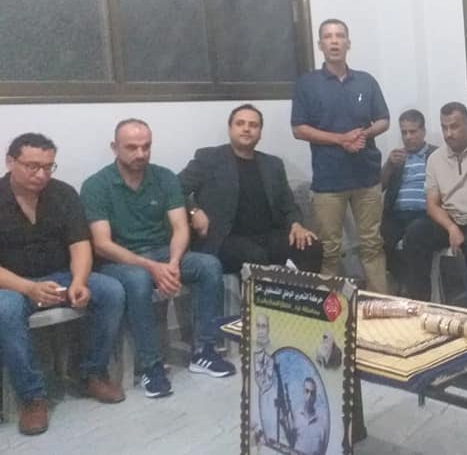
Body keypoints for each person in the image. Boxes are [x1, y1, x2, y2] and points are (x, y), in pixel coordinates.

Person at [81, 119, 235, 399]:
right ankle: (150, 365)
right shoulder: (96, 185)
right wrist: (152, 267)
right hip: (120, 260)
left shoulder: (164, 178)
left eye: (146, 147)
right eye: (132, 147)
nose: (140, 154)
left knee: (208, 265)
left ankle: (205, 350)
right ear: (115, 147)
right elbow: (102, 244)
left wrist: (173, 264)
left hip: (163, 252)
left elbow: (180, 228)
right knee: (139, 280)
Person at [0, 133, 126, 435]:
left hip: (59, 275)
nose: (41, 174)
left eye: (48, 166)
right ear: (10, 162)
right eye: (32, 166)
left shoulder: (63, 193)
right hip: (12, 284)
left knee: (111, 291)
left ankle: (91, 374)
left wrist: (79, 281)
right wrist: (28, 288)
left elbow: (80, 244)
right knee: (6, 309)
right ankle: (33, 397)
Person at [291, 18, 391, 292]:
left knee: (372, 244)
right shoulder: (307, 83)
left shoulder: (366, 81)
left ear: (348, 42)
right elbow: (298, 129)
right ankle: (330, 310)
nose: (334, 41)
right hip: (328, 180)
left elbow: (383, 119)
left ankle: (381, 305)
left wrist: (363, 135)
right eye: (328, 36)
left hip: (367, 177)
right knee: (329, 249)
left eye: (339, 36)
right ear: (320, 45)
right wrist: (340, 139)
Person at [178, 104, 323, 274]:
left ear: (260, 133)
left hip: (268, 236)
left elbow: (288, 205)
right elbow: (173, 189)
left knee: (311, 246)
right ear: (230, 129)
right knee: (255, 256)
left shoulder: (273, 165)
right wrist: (194, 211)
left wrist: (296, 225)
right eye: (240, 123)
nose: (246, 129)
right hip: (224, 238)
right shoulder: (209, 158)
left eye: (253, 125)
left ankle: (297, 292)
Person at [400, 102, 467, 302]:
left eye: (454, 127)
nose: (449, 134)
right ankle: (420, 304)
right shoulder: (435, 159)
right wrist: (451, 228)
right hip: (451, 218)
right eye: (444, 127)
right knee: (415, 234)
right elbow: (432, 204)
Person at [379, 109, 437, 294]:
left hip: (425, 214)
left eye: (413, 131)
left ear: (423, 131)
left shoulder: (436, 155)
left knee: (415, 235)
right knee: (377, 238)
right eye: (404, 132)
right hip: (397, 214)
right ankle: (402, 282)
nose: (408, 137)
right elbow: (379, 187)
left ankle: (416, 294)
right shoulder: (397, 157)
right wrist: (389, 166)